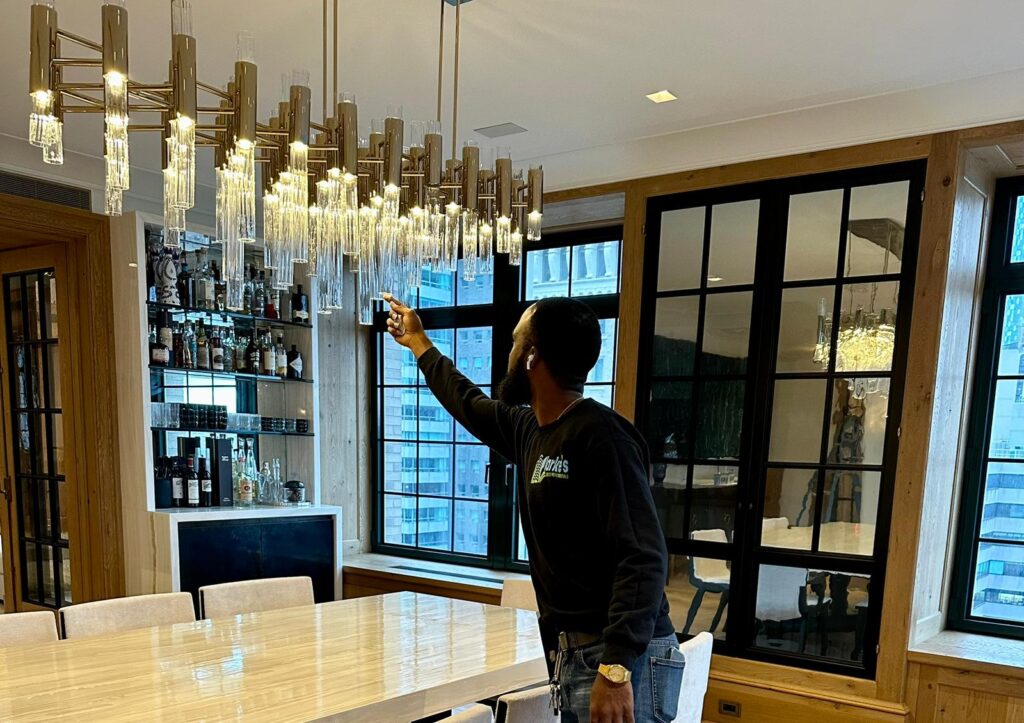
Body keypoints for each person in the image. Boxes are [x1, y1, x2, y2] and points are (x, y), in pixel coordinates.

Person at [384, 293, 683, 723]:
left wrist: (616, 670)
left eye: (513, 342)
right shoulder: (530, 429)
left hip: (620, 659)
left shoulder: (602, 437)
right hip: (578, 654)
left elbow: (644, 556)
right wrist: (418, 343)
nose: (507, 353)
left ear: (531, 357)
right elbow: (465, 401)